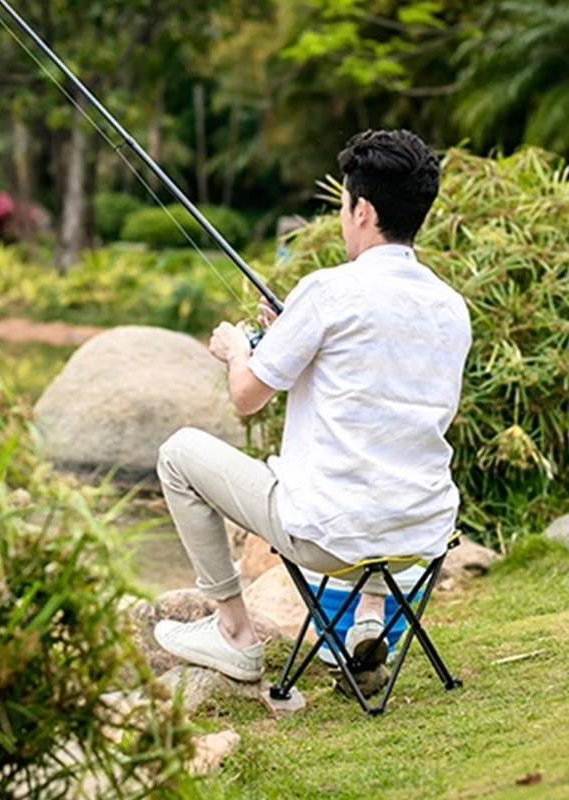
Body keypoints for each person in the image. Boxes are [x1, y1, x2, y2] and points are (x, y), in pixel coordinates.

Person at [153, 129, 472, 682]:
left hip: (328, 538)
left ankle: (234, 633)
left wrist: (235, 350)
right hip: (420, 536)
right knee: (384, 463)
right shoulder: (452, 307)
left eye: (345, 205)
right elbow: (373, 386)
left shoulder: (328, 291)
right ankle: (368, 615)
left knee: (178, 454)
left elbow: (247, 397)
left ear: (363, 209)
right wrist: (288, 336)